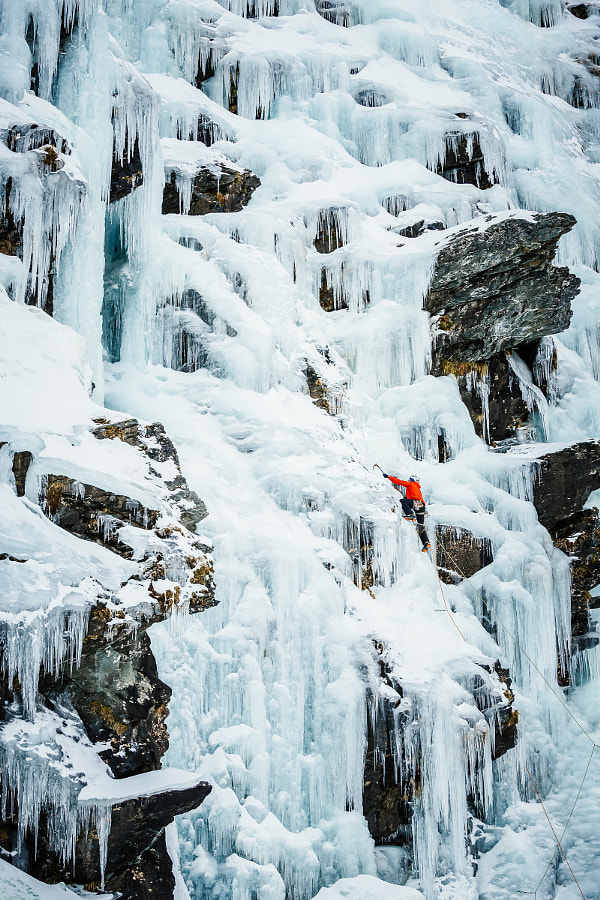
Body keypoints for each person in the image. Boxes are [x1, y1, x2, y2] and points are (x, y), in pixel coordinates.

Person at [379, 471, 431, 552]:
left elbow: (399, 482)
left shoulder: (411, 484)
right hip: (421, 507)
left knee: (402, 501)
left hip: (416, 504)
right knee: (420, 526)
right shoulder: (417, 488)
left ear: (412, 480)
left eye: (409, 479)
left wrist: (389, 477)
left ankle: (410, 514)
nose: (408, 480)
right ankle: (426, 542)